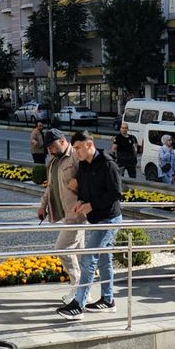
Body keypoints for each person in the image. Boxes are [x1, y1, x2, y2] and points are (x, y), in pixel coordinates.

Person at [56, 131, 123, 321]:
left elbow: (116, 194)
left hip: (109, 219)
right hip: (97, 218)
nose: (75, 151)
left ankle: (79, 304)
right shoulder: (84, 165)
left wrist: (91, 205)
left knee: (89, 258)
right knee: (104, 259)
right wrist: (82, 201)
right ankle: (108, 300)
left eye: (78, 147)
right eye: (74, 148)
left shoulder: (108, 164)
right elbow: (84, 189)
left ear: (89, 144)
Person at [38, 129, 88, 304]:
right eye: (48, 148)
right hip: (66, 214)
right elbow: (50, 187)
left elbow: (89, 179)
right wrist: (43, 206)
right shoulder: (53, 161)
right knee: (80, 254)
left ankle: (78, 291)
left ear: (62, 140)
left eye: (52, 146)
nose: (50, 150)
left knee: (62, 248)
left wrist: (81, 192)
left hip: (78, 214)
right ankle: (83, 292)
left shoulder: (75, 155)